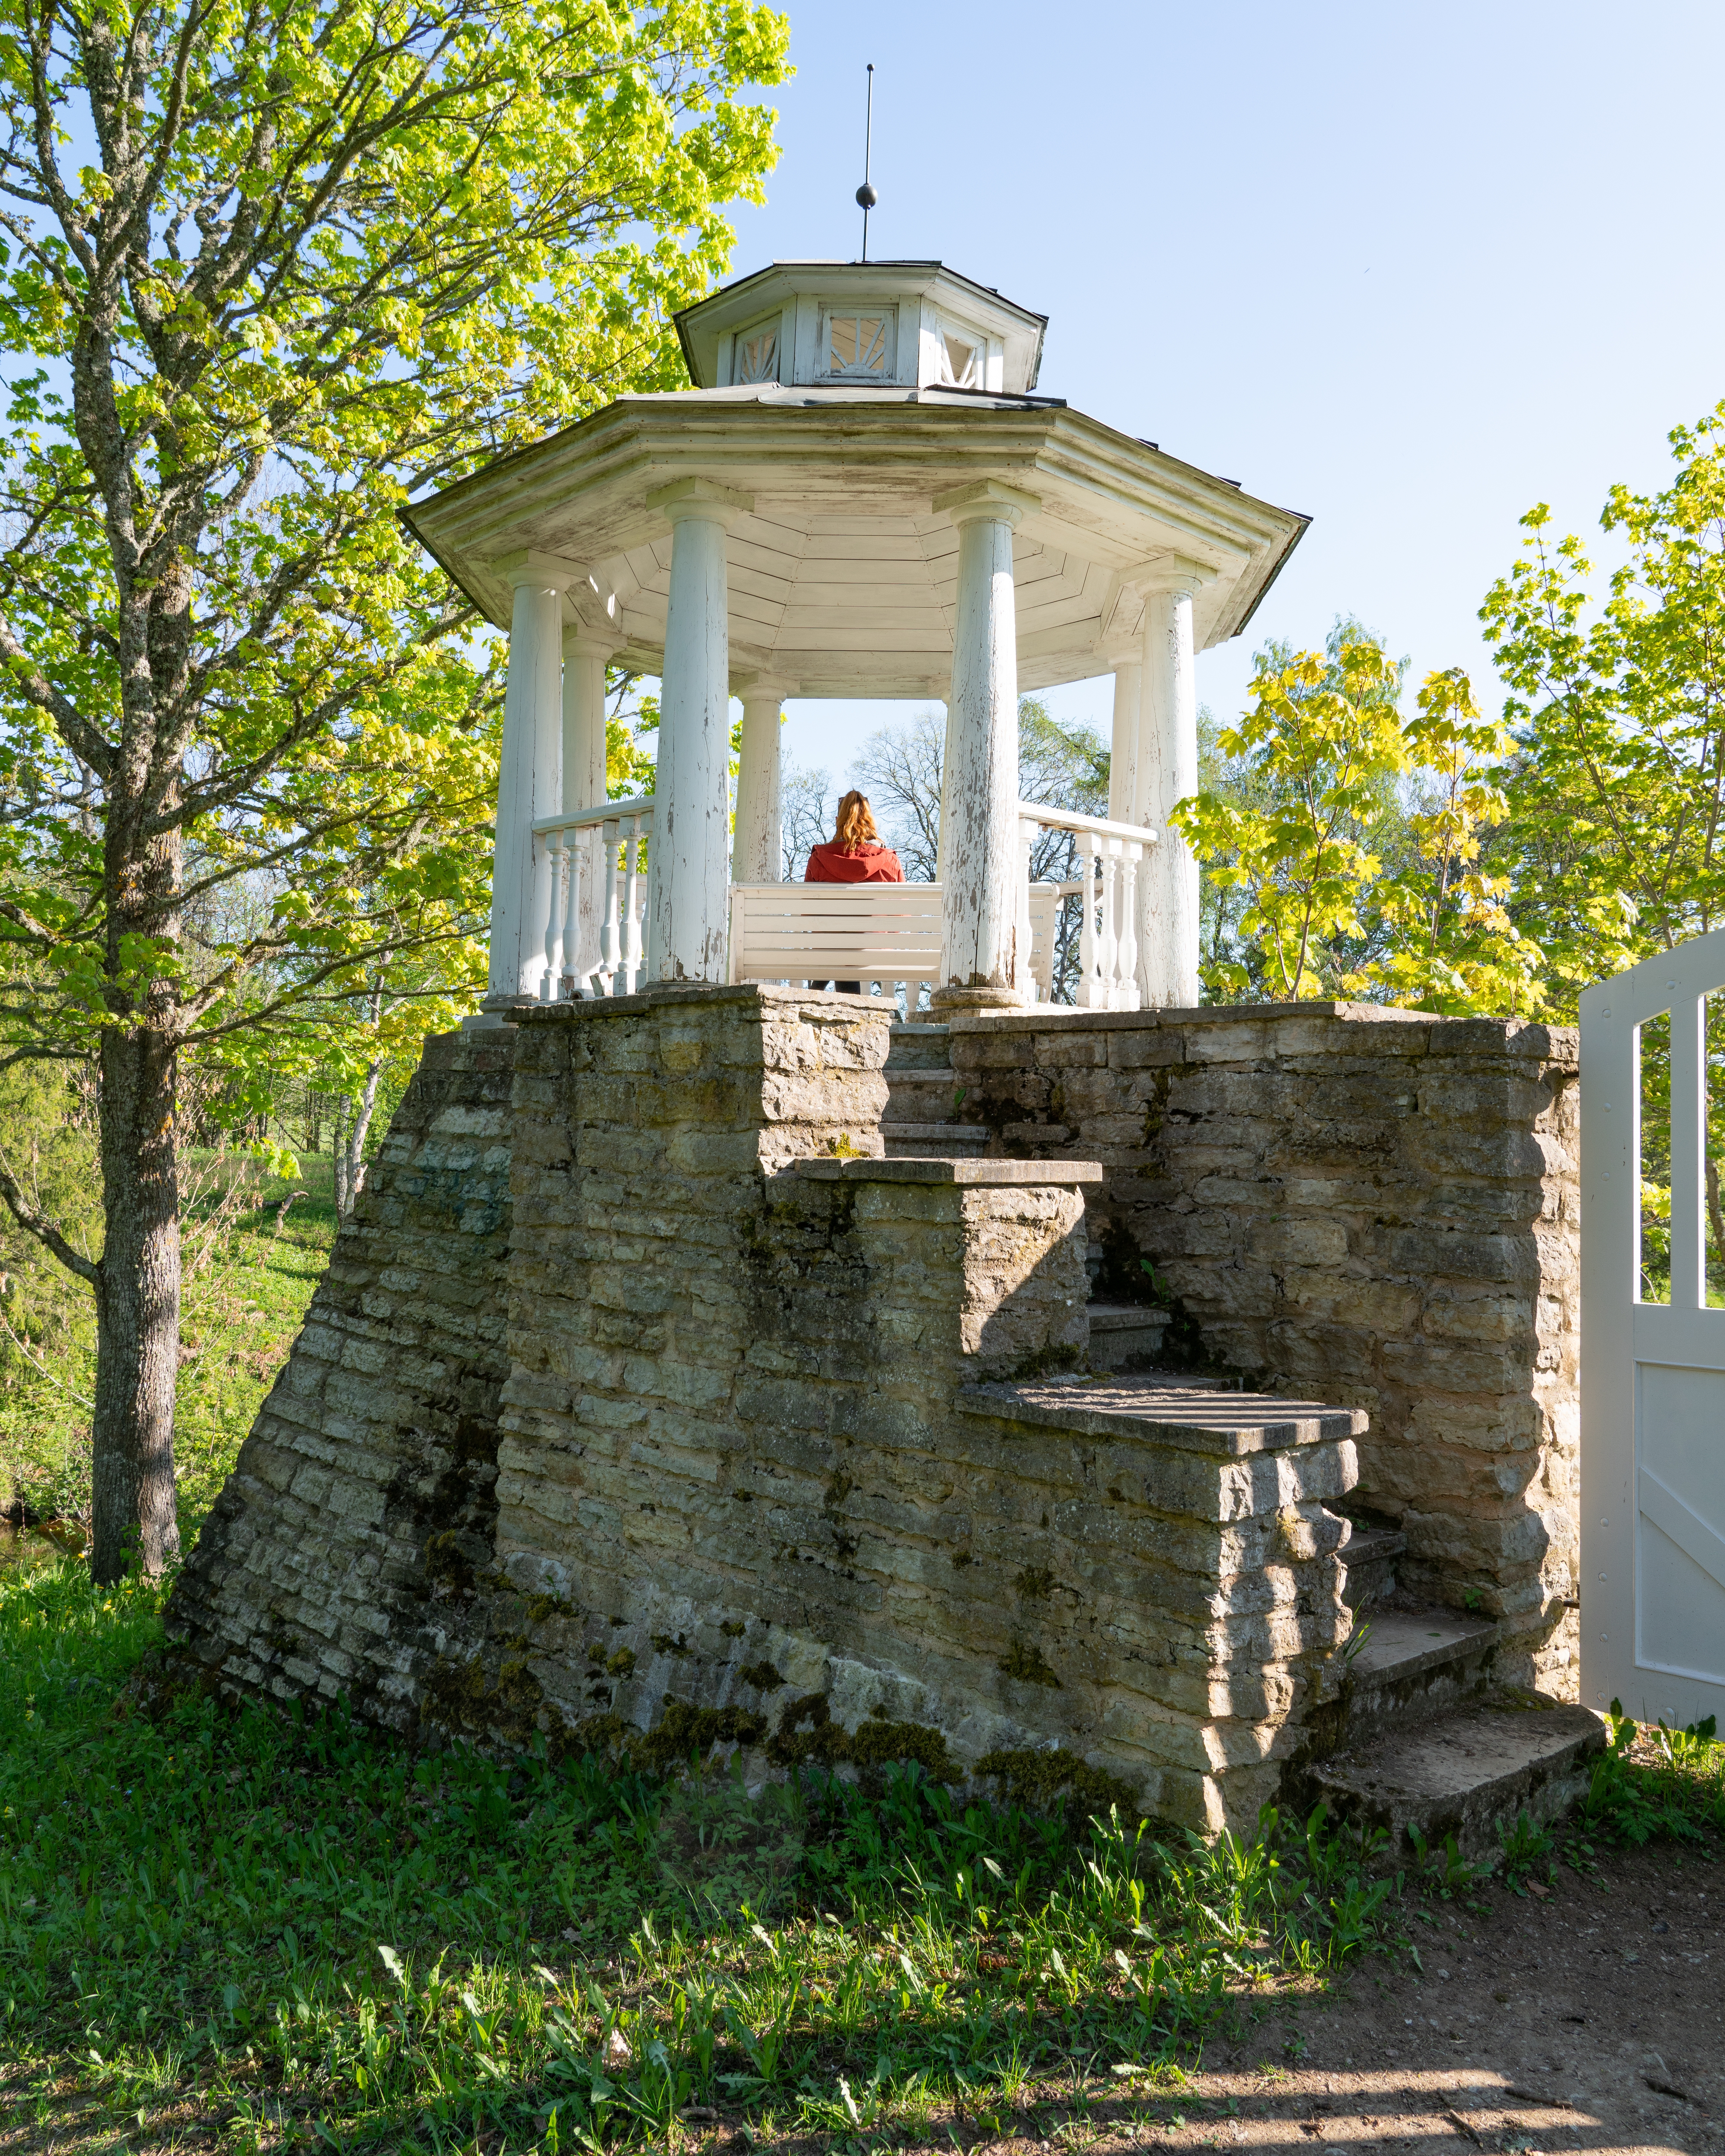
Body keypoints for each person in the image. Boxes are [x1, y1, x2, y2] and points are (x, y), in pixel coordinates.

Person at [804, 790, 903, 993]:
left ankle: (816, 991)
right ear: (869, 819)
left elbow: (807, 911)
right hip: (874, 948)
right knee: (849, 945)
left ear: (839, 820)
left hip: (829, 948)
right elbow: (902, 914)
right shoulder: (889, 860)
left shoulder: (820, 858)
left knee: (838, 945)